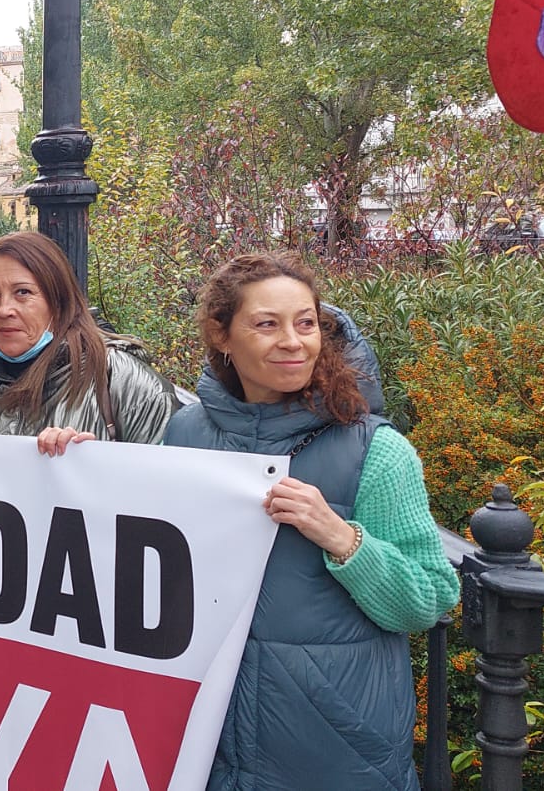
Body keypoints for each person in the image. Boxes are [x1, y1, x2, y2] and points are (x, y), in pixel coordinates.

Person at [166, 252, 455, 789]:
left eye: (306, 323)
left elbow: (430, 600)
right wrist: (80, 467)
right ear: (221, 335)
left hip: (333, 743)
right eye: (266, 324)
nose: (293, 341)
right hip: (207, 737)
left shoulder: (375, 450)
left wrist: (344, 539)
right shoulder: (185, 432)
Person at [0, 232, 177, 444]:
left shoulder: (121, 382)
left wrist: (92, 467)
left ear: (58, 300)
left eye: (23, 292)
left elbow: (169, 498)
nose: (4, 310)